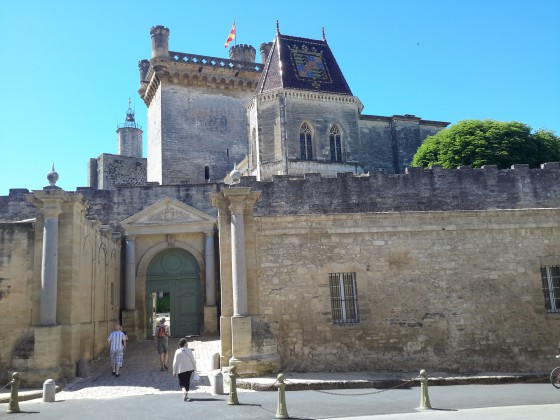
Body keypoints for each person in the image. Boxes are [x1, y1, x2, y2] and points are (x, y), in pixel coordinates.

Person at [173, 337, 197, 401]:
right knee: (187, 381)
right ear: (185, 343)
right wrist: (195, 369)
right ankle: (186, 392)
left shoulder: (177, 352)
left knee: (182, 383)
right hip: (189, 369)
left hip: (180, 369)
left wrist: (174, 372)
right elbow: (193, 360)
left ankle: (183, 391)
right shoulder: (189, 351)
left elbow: (175, 362)